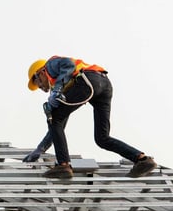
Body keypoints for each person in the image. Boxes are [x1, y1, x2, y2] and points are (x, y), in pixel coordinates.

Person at [24, 56, 157, 179]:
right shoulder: (62, 85)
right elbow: (58, 126)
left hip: (89, 80)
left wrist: (57, 90)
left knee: (54, 117)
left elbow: (68, 64)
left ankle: (63, 165)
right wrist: (41, 149)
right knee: (102, 138)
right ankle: (142, 160)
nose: (40, 87)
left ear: (40, 72)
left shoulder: (50, 66)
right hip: (104, 86)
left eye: (38, 83)